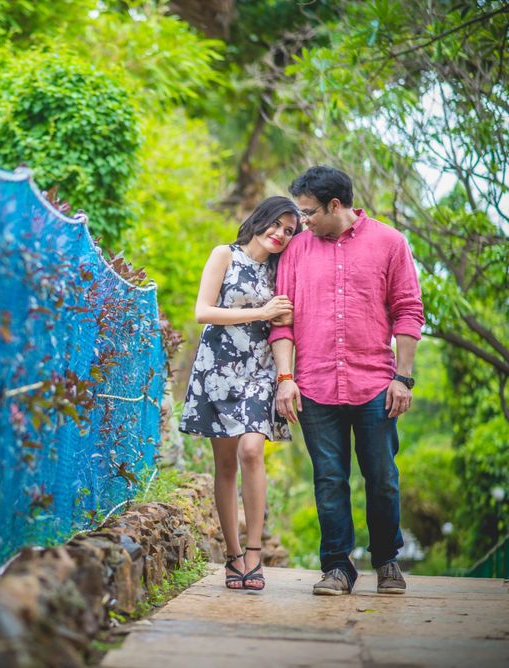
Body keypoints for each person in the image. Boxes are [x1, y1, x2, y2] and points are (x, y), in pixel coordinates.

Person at [271, 166, 424, 596]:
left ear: (335, 205)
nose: (302, 222)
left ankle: (387, 562)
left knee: (382, 477)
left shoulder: (390, 243)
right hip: (314, 385)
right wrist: (286, 378)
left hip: (375, 384)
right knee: (329, 479)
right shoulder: (297, 251)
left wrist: (403, 378)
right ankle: (337, 567)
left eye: (308, 212)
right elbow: (283, 320)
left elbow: (408, 311)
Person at [179, 196, 301, 591]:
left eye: (289, 231)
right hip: (218, 369)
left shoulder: (282, 271)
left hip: (261, 369)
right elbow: (203, 312)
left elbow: (287, 321)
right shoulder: (224, 255)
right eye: (278, 225)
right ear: (261, 219)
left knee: (252, 449)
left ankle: (254, 553)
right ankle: (233, 557)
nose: (281, 234)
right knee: (226, 464)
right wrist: (261, 313)